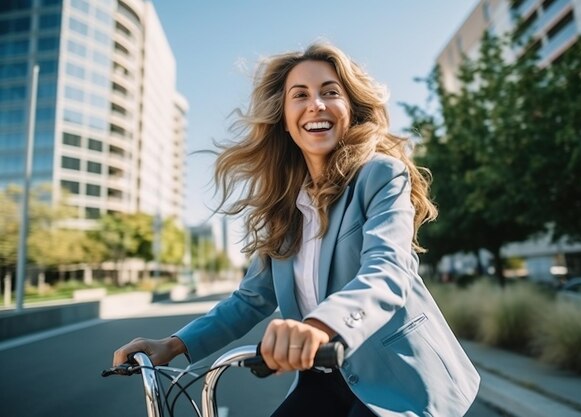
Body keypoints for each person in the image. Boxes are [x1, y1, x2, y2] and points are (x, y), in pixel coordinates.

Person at [113, 42, 480, 417]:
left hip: (399, 378)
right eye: (300, 95)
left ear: (350, 109)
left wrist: (320, 326)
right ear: (285, 120)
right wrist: (173, 346)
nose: (316, 104)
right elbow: (250, 299)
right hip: (324, 379)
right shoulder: (283, 208)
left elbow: (387, 271)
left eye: (330, 92)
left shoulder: (381, 175)